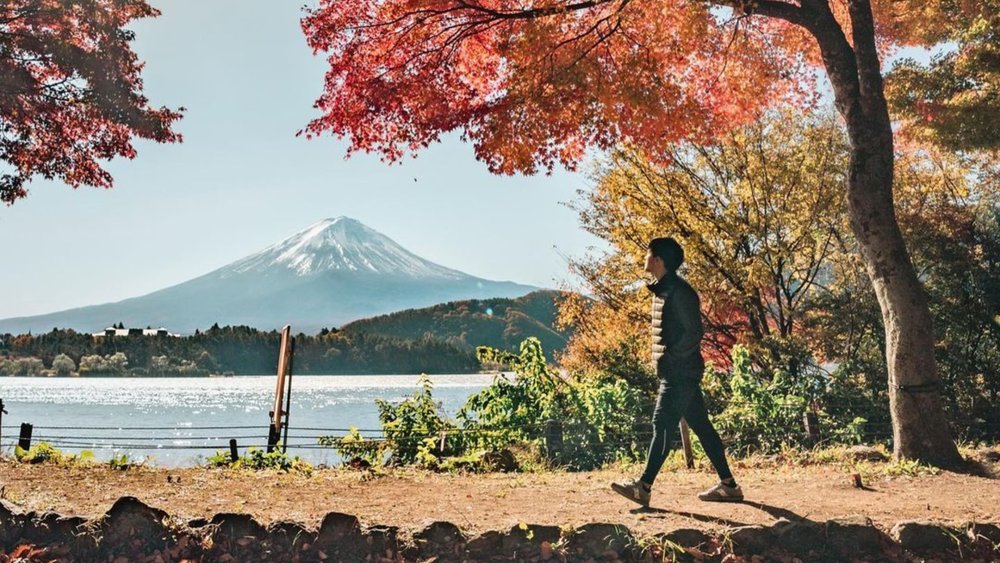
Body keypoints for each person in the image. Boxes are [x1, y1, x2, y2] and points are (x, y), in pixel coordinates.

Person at [611, 237, 742, 507]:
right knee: (702, 427)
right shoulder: (665, 290)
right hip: (680, 371)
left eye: (648, 254)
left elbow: (694, 331)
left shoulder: (679, 292)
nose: (644, 259)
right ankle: (729, 486)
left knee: (662, 425)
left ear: (658, 260)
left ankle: (643, 487)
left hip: (679, 373)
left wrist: (672, 358)